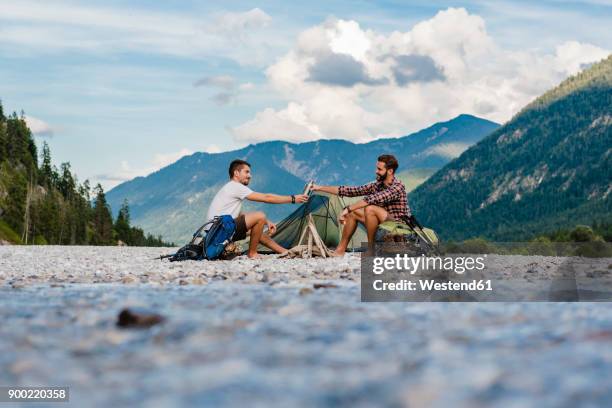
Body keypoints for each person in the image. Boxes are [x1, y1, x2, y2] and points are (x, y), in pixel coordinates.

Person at [206, 159, 308, 259]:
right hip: (218, 233)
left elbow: (240, 215)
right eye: (246, 172)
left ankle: (285, 252)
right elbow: (266, 197)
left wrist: (266, 222)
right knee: (260, 216)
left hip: (216, 233)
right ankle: (252, 254)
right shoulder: (235, 186)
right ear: (236, 173)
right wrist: (293, 198)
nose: (250, 176)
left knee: (256, 230)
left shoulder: (230, 187)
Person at [312, 154, 411, 256]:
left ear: (390, 171)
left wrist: (348, 209)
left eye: (379, 169)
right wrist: (319, 188)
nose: (376, 171)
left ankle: (371, 250)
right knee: (354, 212)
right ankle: (339, 251)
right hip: (384, 228)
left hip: (399, 229)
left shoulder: (398, 186)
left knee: (370, 208)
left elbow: (372, 199)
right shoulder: (377, 185)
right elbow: (350, 191)